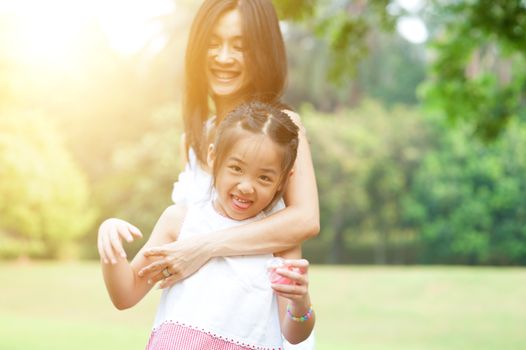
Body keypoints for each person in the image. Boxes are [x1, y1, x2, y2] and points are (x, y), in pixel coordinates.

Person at [98, 0, 319, 348]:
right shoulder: (194, 138)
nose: (223, 56)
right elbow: (131, 286)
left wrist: (202, 247)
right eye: (213, 43)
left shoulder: (282, 130)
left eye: (240, 46)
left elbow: (305, 219)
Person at [99, 101, 315, 349]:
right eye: (236, 168)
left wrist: (300, 303)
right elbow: (125, 294)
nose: (246, 186)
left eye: (264, 177)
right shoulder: (179, 222)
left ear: (283, 181)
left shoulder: (280, 241)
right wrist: (111, 251)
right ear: (213, 158)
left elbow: (295, 335)